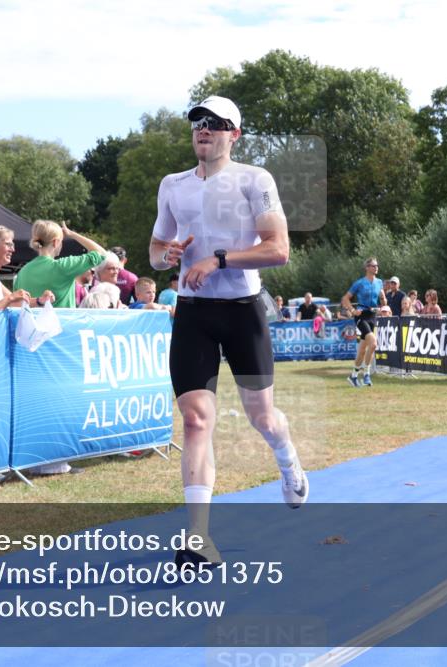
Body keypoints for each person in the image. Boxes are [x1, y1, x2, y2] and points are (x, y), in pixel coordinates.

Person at [148, 95, 308, 566]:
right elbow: (157, 250)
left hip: (242, 309)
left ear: (233, 135)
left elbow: (279, 250)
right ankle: (198, 537)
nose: (204, 128)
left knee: (264, 418)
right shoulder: (172, 185)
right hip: (194, 313)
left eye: (216, 123)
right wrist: (169, 256)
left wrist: (217, 260)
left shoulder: (254, 180)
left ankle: (287, 461)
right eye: (197, 121)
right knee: (196, 420)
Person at [14, 220, 106, 308]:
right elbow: (102, 253)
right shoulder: (64, 266)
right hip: (60, 323)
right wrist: (72, 234)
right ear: (56, 242)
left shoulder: (22, 272)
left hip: (30, 324)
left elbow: (17, 304)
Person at [342, 257, 386, 387]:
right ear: (367, 268)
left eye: (377, 265)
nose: (376, 267)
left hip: (372, 316)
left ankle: (353, 376)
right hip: (361, 316)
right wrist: (352, 310)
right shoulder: (359, 283)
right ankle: (366, 374)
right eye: (373, 265)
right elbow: (345, 299)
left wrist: (383, 302)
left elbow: (382, 297)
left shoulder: (379, 282)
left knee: (362, 350)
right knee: (373, 344)